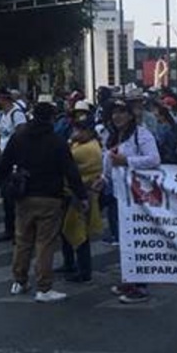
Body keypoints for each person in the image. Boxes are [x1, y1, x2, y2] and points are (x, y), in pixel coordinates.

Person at [0, 96, 89, 303]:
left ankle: (20, 280)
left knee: (23, 240)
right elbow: (70, 170)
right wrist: (82, 195)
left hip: (24, 195)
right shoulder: (57, 141)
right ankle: (44, 287)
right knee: (45, 243)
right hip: (50, 197)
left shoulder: (19, 138)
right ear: (51, 118)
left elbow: (4, 164)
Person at [99, 98, 161, 304]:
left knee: (137, 239)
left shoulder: (141, 134)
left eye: (121, 112)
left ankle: (141, 285)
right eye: (114, 113)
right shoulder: (113, 136)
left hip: (137, 197)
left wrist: (128, 161)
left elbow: (153, 159)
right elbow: (108, 163)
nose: (117, 116)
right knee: (125, 240)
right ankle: (129, 278)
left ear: (130, 115)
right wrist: (103, 179)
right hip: (119, 195)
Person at [58, 114, 103, 283]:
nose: (75, 131)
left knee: (79, 233)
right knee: (67, 230)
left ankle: (84, 270)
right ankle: (70, 263)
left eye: (80, 129)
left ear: (89, 131)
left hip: (82, 194)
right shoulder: (81, 144)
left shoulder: (87, 149)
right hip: (75, 193)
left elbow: (66, 159)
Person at [0, 88, 28, 243]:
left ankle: (19, 231)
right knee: (6, 197)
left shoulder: (17, 114)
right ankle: (9, 230)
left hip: (15, 160)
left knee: (15, 197)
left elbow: (21, 133)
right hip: (4, 157)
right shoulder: (2, 115)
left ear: (3, 99)